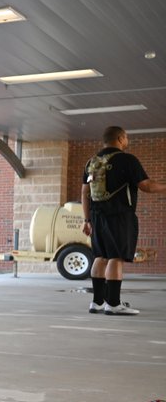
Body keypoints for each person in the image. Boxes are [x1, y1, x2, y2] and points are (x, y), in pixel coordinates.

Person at [82, 126, 165, 316]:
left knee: (100, 257)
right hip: (119, 216)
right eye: (126, 137)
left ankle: (97, 302)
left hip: (96, 216)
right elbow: (147, 186)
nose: (127, 141)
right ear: (120, 138)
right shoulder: (127, 160)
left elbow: (84, 192)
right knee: (116, 257)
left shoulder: (91, 162)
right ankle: (113, 304)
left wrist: (87, 220)